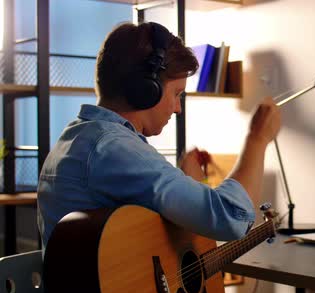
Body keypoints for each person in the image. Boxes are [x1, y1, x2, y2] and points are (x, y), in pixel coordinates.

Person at [37, 21, 281, 246]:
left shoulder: (76, 138)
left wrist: (189, 185)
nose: (178, 108)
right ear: (146, 90)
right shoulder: (112, 148)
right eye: (176, 94)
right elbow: (232, 218)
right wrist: (257, 138)